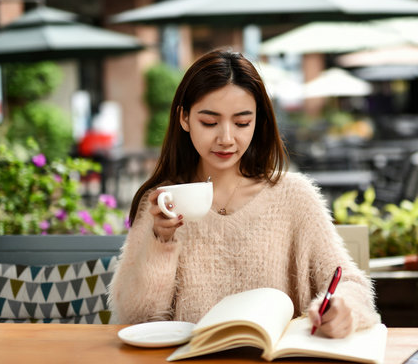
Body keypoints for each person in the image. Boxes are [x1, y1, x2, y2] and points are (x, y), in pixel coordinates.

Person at [108, 49, 380, 338]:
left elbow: (350, 283)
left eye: (241, 123)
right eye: (209, 122)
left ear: (258, 122)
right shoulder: (162, 201)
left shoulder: (294, 197)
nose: (226, 138)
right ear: (184, 119)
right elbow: (136, 319)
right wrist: (161, 241)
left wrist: (342, 308)